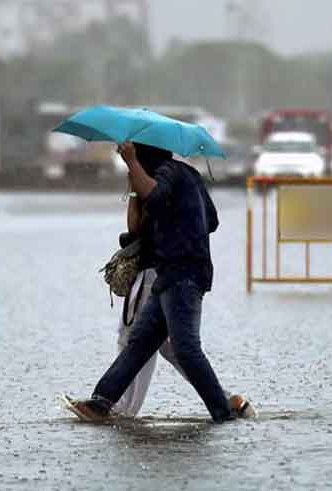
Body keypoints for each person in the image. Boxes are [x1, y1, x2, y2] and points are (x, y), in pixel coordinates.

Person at [68, 142, 253, 423]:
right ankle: (100, 403)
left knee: (185, 348)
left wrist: (131, 163)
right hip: (170, 274)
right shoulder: (187, 175)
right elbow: (211, 220)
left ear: (144, 155)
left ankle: (223, 410)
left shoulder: (169, 174)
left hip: (183, 274)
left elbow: (154, 197)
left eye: (135, 154)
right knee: (140, 342)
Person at [112, 181, 255, 419]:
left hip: (155, 272)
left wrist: (135, 187)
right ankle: (226, 399)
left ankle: (123, 407)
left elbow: (136, 227)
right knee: (168, 346)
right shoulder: (178, 180)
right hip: (167, 272)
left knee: (135, 339)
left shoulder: (156, 182)